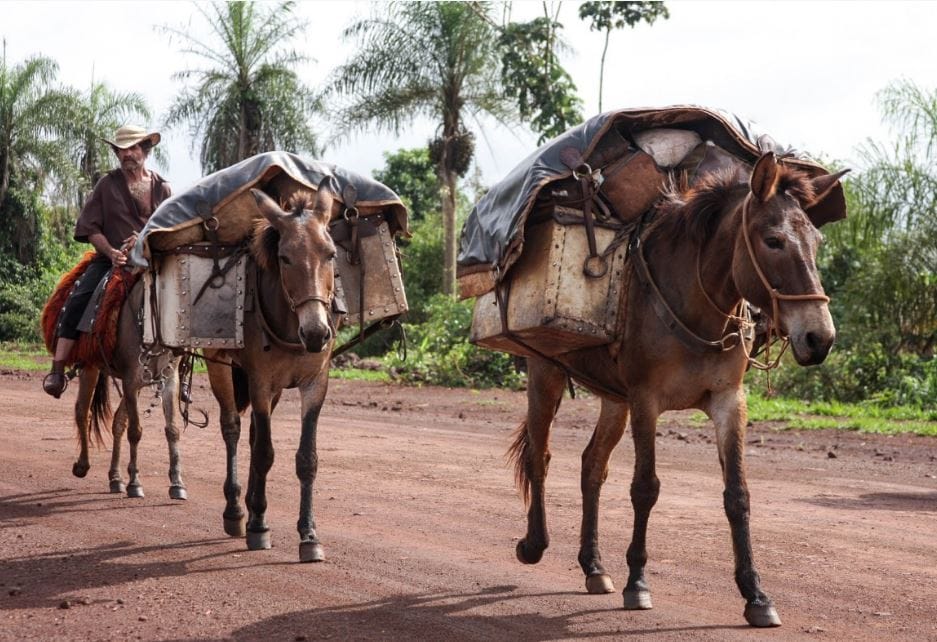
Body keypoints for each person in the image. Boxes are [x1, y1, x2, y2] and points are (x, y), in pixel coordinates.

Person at [43, 125, 171, 398]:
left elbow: (172, 229)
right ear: (116, 152)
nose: (128, 154)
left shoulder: (163, 187)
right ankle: (57, 370)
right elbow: (91, 228)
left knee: (187, 297)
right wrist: (112, 251)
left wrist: (146, 238)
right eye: (122, 149)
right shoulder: (106, 185)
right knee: (77, 298)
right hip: (110, 261)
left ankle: (181, 366)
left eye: (134, 147)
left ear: (145, 150)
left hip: (153, 260)